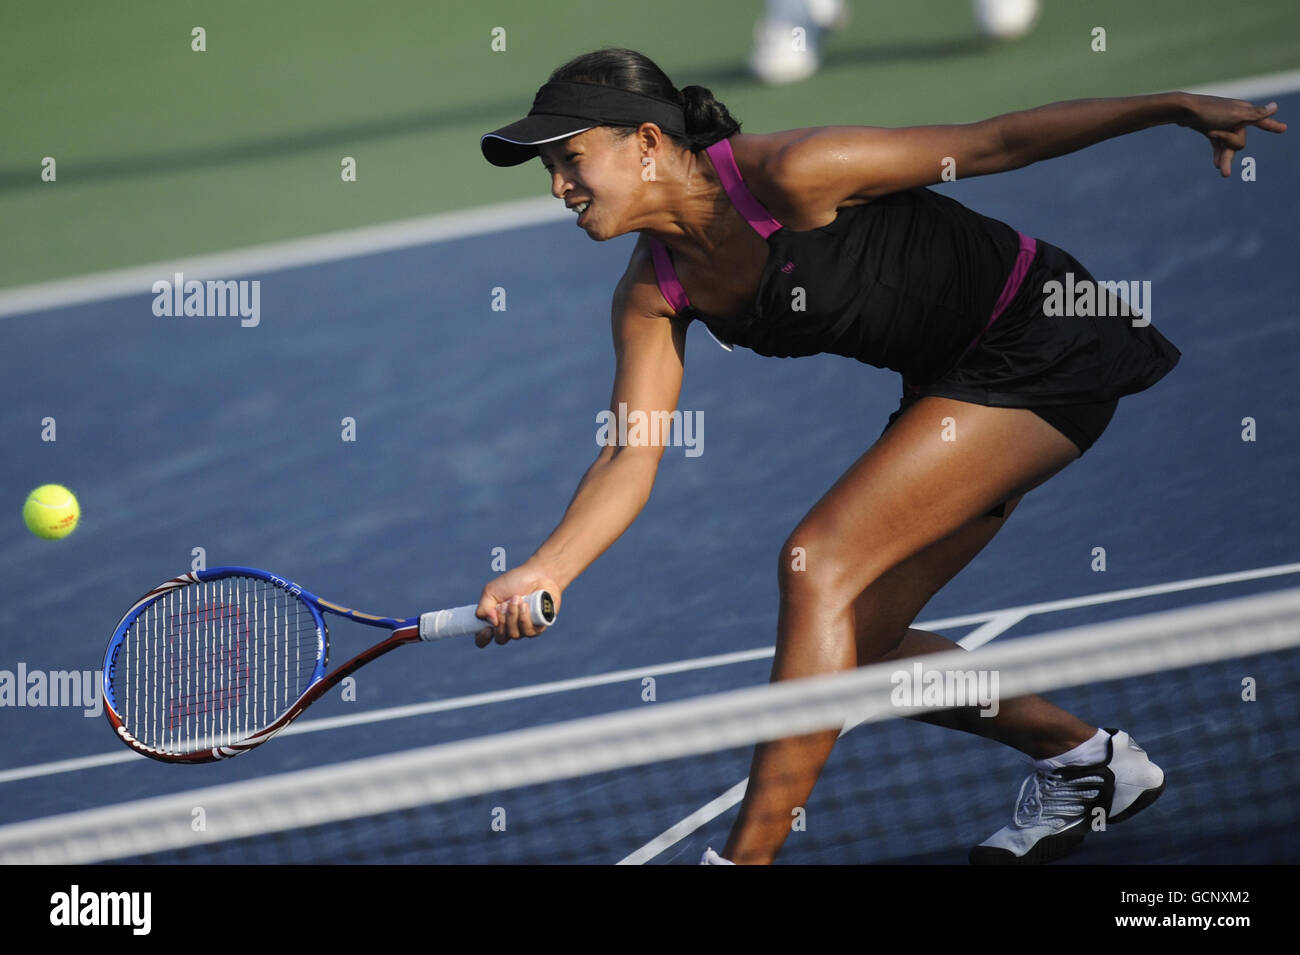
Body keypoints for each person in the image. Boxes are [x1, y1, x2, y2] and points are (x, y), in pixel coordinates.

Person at [474, 47, 1285, 864]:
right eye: (549, 168)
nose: (558, 188)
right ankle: (1088, 762)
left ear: (647, 141)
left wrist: (1168, 105)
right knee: (854, 645)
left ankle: (744, 858)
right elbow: (629, 457)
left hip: (1042, 335)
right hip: (950, 385)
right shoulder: (654, 292)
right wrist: (547, 567)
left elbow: (994, 141)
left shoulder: (795, 173)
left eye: (571, 160)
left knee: (816, 563)